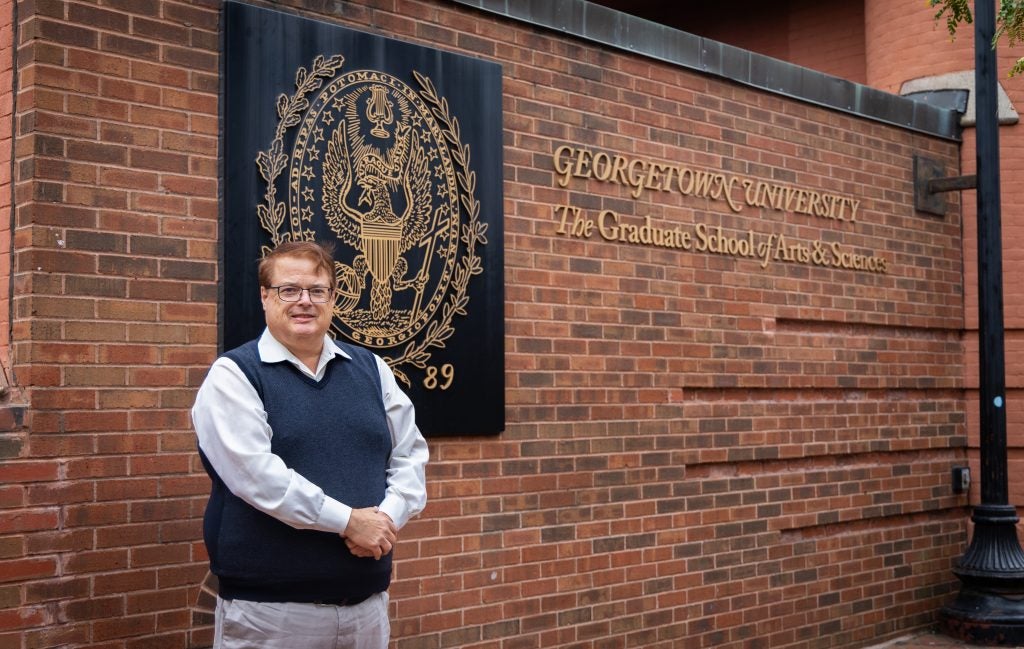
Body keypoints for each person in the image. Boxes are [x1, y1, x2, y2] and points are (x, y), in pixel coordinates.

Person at [192, 240, 429, 649]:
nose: (304, 301)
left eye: (317, 291)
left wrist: (384, 521)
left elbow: (409, 454)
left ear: (333, 299)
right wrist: (349, 522)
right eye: (289, 290)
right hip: (272, 615)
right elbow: (258, 477)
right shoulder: (234, 376)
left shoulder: (372, 370)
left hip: (367, 610)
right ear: (265, 296)